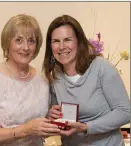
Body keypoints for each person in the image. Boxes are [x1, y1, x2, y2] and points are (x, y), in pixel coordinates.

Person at [0, 14, 60, 146]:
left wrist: (49, 120)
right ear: (8, 43)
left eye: (31, 41)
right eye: (18, 40)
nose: (25, 47)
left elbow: (38, 125)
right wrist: (25, 130)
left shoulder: (42, 79)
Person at [42, 14, 130, 146]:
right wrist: (51, 115)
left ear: (79, 41)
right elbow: (58, 119)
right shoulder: (55, 76)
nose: (61, 47)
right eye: (56, 41)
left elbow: (125, 112)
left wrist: (86, 127)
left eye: (67, 39)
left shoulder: (102, 68)